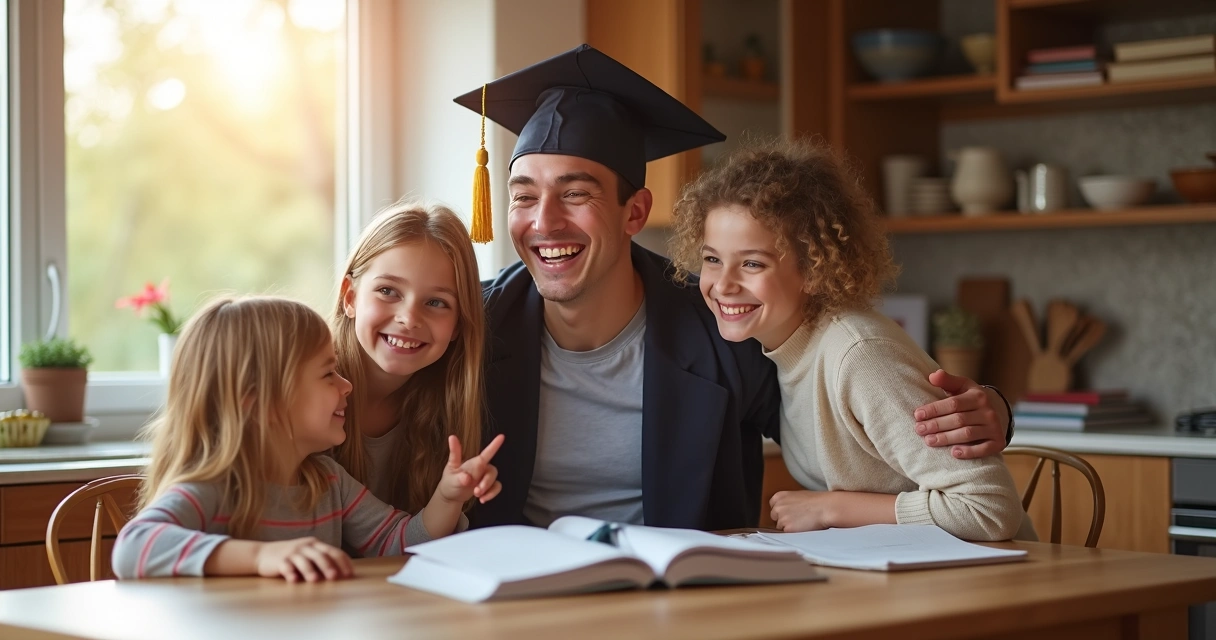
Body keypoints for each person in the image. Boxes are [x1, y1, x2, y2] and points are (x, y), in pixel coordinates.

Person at [452, 44, 1014, 531]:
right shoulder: (471, 323)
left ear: (635, 213)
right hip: (513, 596)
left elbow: (845, 395)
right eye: (524, 195)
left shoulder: (724, 330)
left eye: (576, 194)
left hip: (684, 598)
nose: (544, 222)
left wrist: (991, 410)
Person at [668, 138, 1035, 540]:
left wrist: (831, 509)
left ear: (812, 270)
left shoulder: (859, 355)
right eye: (712, 259)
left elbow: (988, 508)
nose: (723, 284)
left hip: (994, 572)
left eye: (752, 263)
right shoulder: (779, 350)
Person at [112, 296, 503, 581]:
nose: (347, 385)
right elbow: (134, 546)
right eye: (328, 374)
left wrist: (447, 496)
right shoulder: (213, 489)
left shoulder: (328, 482)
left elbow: (400, 542)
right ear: (259, 402)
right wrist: (261, 557)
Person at [330, 203, 488, 513]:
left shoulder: (446, 411)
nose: (409, 318)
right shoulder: (294, 390)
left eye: (436, 302)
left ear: (458, 324)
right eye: (388, 291)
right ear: (350, 297)